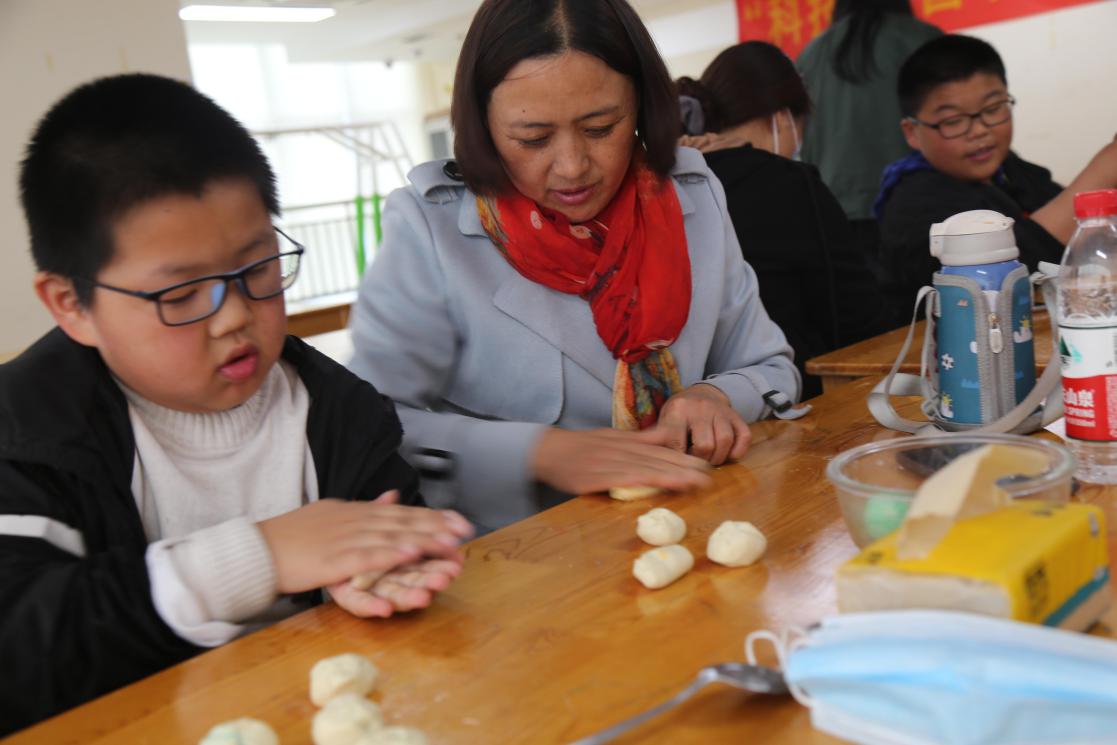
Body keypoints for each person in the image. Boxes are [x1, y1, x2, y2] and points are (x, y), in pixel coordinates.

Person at [0, 73, 474, 734]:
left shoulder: (341, 412)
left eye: (257, 268)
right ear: (71, 305)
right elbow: (19, 653)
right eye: (180, 295)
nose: (234, 316)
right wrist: (258, 557)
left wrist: (381, 569)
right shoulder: (26, 434)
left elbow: (386, 532)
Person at [348, 0, 799, 533]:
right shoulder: (431, 228)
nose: (572, 167)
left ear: (643, 108)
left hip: (691, 528)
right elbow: (370, 425)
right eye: (533, 139)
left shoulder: (691, 199)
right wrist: (536, 453)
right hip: (522, 556)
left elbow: (771, 367)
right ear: (483, 127)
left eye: (601, 128)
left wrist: (715, 396)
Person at [676, 41, 891, 399]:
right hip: (789, 398)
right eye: (800, 129)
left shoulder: (674, 181)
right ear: (782, 118)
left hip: (691, 403)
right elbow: (857, 316)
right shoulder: (792, 184)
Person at [875, 34, 1117, 324]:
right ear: (912, 132)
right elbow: (1005, 276)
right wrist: (1105, 168)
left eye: (992, 109)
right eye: (953, 121)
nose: (979, 130)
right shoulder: (913, 200)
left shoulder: (1012, 171)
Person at [797, 0, 940, 265]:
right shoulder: (922, 38)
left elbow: (802, 140)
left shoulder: (810, 54)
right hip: (918, 200)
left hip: (836, 207)